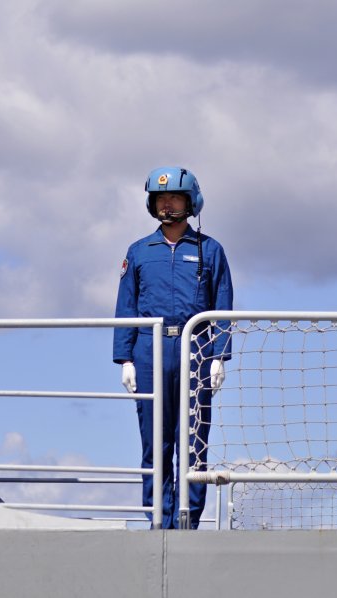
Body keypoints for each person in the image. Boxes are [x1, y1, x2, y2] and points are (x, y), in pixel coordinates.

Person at [113, 167, 233, 529]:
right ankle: (158, 520)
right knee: (155, 441)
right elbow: (126, 307)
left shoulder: (210, 250)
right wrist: (125, 358)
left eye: (174, 197)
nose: (167, 204)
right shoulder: (138, 252)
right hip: (150, 351)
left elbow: (223, 307)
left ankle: (188, 522)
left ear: (190, 202)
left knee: (194, 439)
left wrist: (220, 355)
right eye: (161, 198)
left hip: (196, 348)